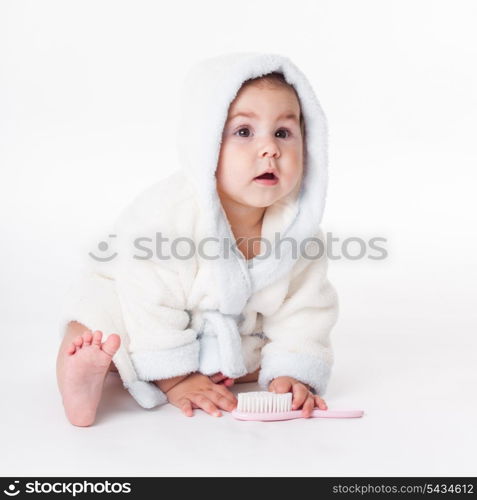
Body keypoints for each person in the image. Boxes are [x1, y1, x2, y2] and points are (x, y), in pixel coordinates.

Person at [56, 52, 339, 427]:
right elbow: (148, 297)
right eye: (244, 132)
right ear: (204, 143)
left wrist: (293, 369)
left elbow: (304, 309)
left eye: (283, 133)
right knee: (95, 324)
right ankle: (81, 379)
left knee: (259, 356)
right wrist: (176, 376)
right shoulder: (167, 215)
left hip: (219, 334)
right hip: (136, 307)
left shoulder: (297, 231)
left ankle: (215, 362)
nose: (270, 149)